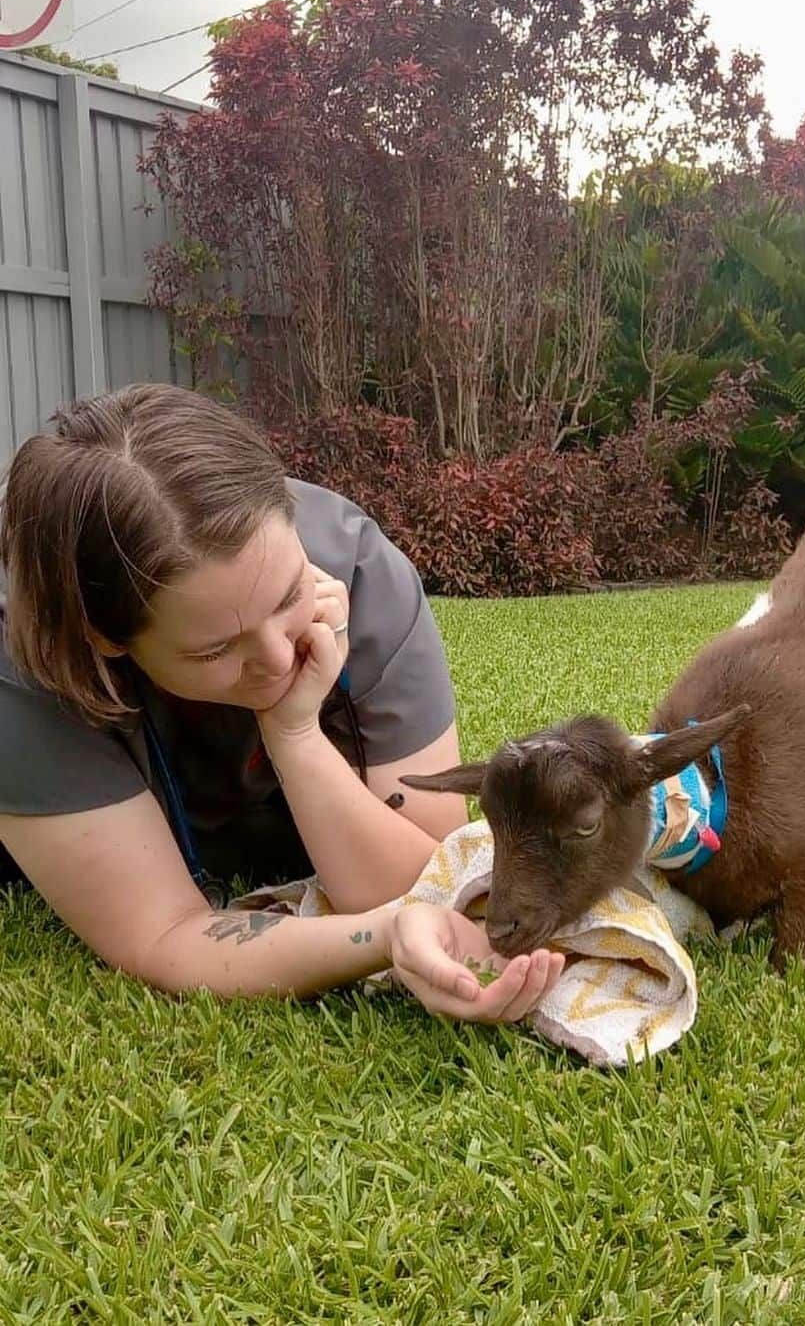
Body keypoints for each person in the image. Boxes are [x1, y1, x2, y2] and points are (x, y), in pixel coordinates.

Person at [0, 384, 563, 1019]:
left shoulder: (361, 569)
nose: (276, 658)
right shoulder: (32, 672)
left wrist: (293, 734)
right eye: (215, 650)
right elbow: (166, 936)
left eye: (289, 594)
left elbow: (433, 879)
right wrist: (383, 938)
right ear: (105, 639)